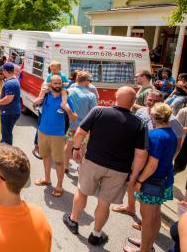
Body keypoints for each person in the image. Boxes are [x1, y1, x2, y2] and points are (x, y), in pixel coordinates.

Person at [63, 86, 147, 247]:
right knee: (104, 203)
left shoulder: (98, 111)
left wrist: (76, 149)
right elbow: (140, 154)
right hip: (119, 170)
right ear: (133, 102)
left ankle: (73, 220)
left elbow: (80, 132)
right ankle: (96, 234)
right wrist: (134, 175)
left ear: (116, 96)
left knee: (82, 192)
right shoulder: (139, 123)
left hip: (93, 162)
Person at [113, 89, 184, 219]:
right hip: (138, 157)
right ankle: (130, 207)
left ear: (162, 102)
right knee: (131, 182)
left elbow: (177, 143)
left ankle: (145, 222)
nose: (151, 103)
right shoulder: (140, 112)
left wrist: (168, 159)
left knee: (146, 196)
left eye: (156, 101)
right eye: (150, 100)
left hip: (154, 163)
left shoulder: (172, 120)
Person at [123, 103, 177, 252]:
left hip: (152, 181)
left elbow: (152, 164)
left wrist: (139, 181)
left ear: (153, 116)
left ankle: (144, 249)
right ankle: (147, 244)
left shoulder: (155, 135)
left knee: (147, 219)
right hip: (165, 179)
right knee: (155, 215)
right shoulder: (171, 133)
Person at [33, 75, 77, 198]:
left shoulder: (66, 99)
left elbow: (74, 117)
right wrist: (38, 99)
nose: (58, 86)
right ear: (50, 84)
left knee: (58, 162)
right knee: (45, 156)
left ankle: (59, 186)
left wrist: (67, 109)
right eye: (55, 83)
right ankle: (47, 179)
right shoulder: (46, 96)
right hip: (42, 132)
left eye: (59, 83)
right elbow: (34, 105)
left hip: (58, 135)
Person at [65, 71, 97, 171]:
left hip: (72, 125)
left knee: (68, 145)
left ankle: (65, 166)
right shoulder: (91, 95)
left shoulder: (69, 91)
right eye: (89, 80)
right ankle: (81, 168)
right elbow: (94, 112)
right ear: (86, 82)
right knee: (83, 148)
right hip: (85, 128)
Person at [0, 63, 21, 145]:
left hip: (9, 113)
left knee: (6, 135)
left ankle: (6, 154)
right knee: (6, 133)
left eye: (3, 71)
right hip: (11, 112)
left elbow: (8, 99)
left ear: (5, 71)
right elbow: (5, 93)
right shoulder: (13, 80)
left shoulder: (10, 83)